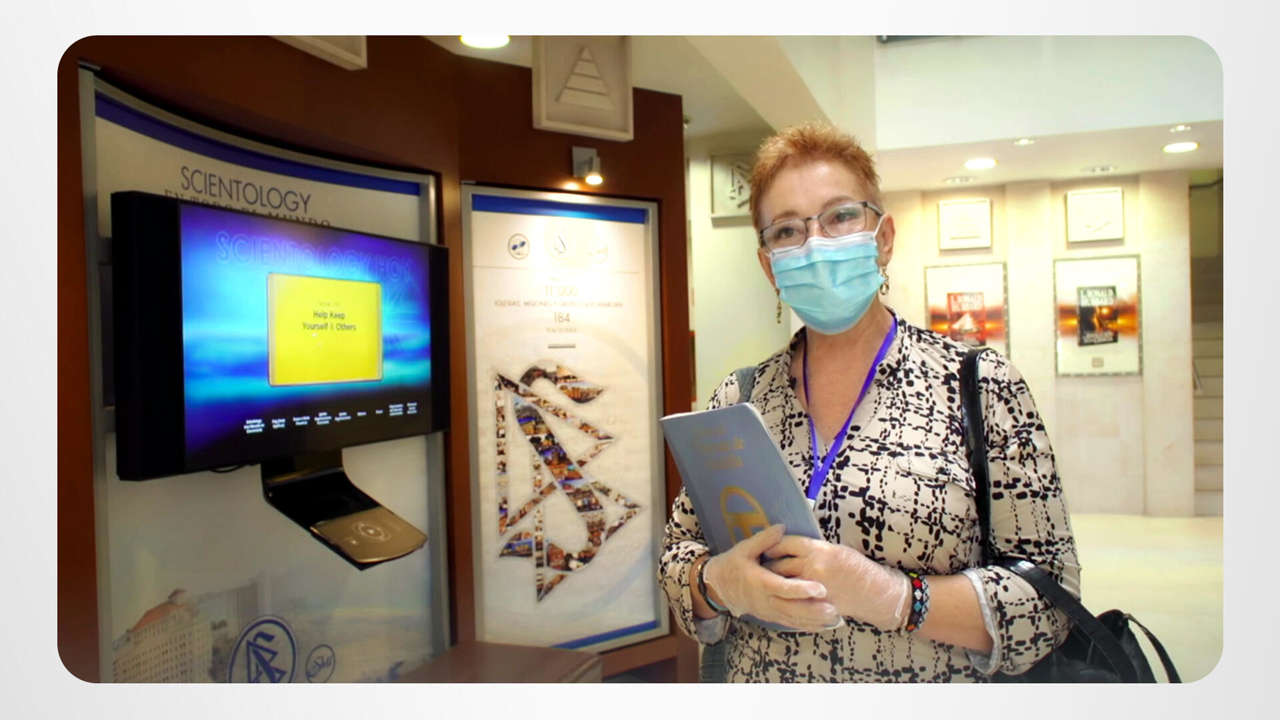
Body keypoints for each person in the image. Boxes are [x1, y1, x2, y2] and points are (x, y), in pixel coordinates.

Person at [659, 122, 1080, 682]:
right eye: (787, 230)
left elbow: (1051, 599)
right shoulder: (741, 397)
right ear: (768, 265)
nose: (815, 244)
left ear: (883, 238)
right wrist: (716, 584)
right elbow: (678, 553)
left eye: (840, 217)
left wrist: (897, 598)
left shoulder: (979, 385)